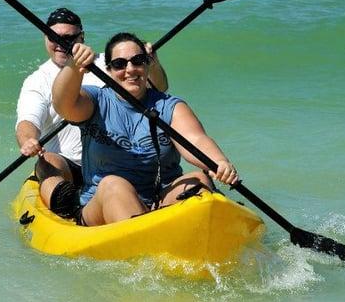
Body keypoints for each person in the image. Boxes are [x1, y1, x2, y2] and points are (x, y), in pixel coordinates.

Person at [51, 32, 239, 226]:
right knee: (114, 185)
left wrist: (218, 162)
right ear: (108, 70)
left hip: (160, 200)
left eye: (138, 61)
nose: (130, 69)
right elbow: (62, 104)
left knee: (199, 179)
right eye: (120, 64)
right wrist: (74, 66)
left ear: (148, 64)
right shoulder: (96, 100)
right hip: (101, 204)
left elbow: (196, 140)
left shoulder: (169, 106)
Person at [15, 8, 168, 214]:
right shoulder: (37, 81)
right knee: (48, 160)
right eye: (54, 37)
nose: (61, 44)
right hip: (70, 166)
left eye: (69, 38)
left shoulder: (115, 63)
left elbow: (159, 89)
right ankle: (66, 208)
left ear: (82, 36)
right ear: (45, 37)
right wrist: (28, 141)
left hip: (114, 161)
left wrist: (152, 62)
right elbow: (27, 122)